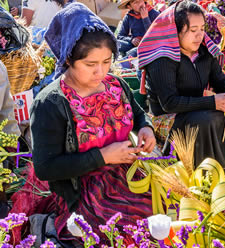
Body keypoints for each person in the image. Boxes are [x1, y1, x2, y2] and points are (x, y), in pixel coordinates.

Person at [30, 2, 156, 244]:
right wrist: (103, 156)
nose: (101, 72)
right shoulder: (51, 103)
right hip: (84, 190)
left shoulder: (116, 85)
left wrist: (146, 128)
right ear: (68, 58)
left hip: (129, 175)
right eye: (90, 65)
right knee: (122, 230)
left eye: (107, 62)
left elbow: (139, 114)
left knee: (168, 213)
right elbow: (46, 167)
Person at [138, 0, 225, 169]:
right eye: (193, 30)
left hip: (195, 108)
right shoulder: (162, 59)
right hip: (167, 117)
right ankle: (207, 171)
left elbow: (219, 81)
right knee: (205, 120)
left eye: (202, 29)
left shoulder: (204, 53)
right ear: (175, 31)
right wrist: (213, 102)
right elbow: (169, 103)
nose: (200, 35)